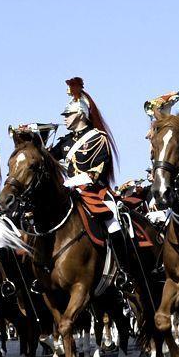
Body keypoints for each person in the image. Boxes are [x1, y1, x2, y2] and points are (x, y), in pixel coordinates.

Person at [49, 77, 127, 258]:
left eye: (68, 115)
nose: (65, 118)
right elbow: (50, 160)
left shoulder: (98, 138)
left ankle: (124, 269)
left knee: (113, 220)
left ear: (80, 114)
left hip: (93, 191)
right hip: (69, 191)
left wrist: (71, 182)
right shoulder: (66, 141)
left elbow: (95, 172)